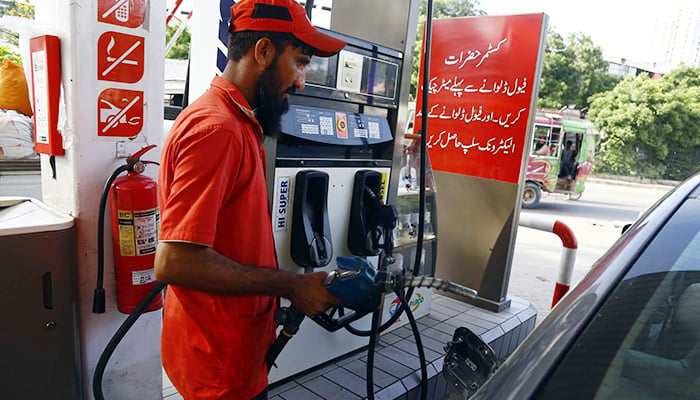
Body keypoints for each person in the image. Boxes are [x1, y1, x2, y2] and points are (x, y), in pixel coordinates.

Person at [154, 1, 346, 399]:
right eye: (300, 62)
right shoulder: (217, 130)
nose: (302, 82)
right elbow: (175, 260)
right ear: (263, 52)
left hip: (228, 348)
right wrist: (291, 285)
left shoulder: (237, 123)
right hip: (218, 363)